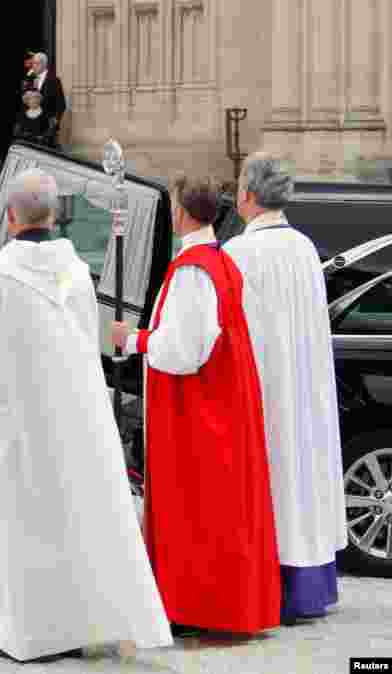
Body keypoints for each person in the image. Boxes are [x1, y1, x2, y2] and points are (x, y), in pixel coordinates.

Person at [0, 169, 172, 662]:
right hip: (75, 421)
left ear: (10, 218)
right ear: (55, 215)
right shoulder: (75, 272)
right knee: (71, 520)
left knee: (20, 525)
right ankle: (76, 623)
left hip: (13, 427)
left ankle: (27, 633)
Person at [111, 175, 281, 635]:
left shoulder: (194, 270)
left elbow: (185, 350)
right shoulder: (217, 261)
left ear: (181, 213)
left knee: (196, 512)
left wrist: (136, 338)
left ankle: (195, 607)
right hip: (217, 403)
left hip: (196, 410)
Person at [223, 153, 347, 624]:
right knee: (304, 475)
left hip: (266, 388)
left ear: (248, 195)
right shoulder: (304, 247)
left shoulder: (240, 253)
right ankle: (311, 585)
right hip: (306, 385)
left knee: (275, 478)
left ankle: (273, 586)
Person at [25, 53, 66, 147]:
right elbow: (26, 103)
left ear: (42, 64)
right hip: (32, 129)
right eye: (33, 63)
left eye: (35, 63)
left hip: (47, 130)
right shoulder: (31, 80)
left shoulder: (54, 81)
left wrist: (55, 121)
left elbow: (61, 104)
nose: (33, 66)